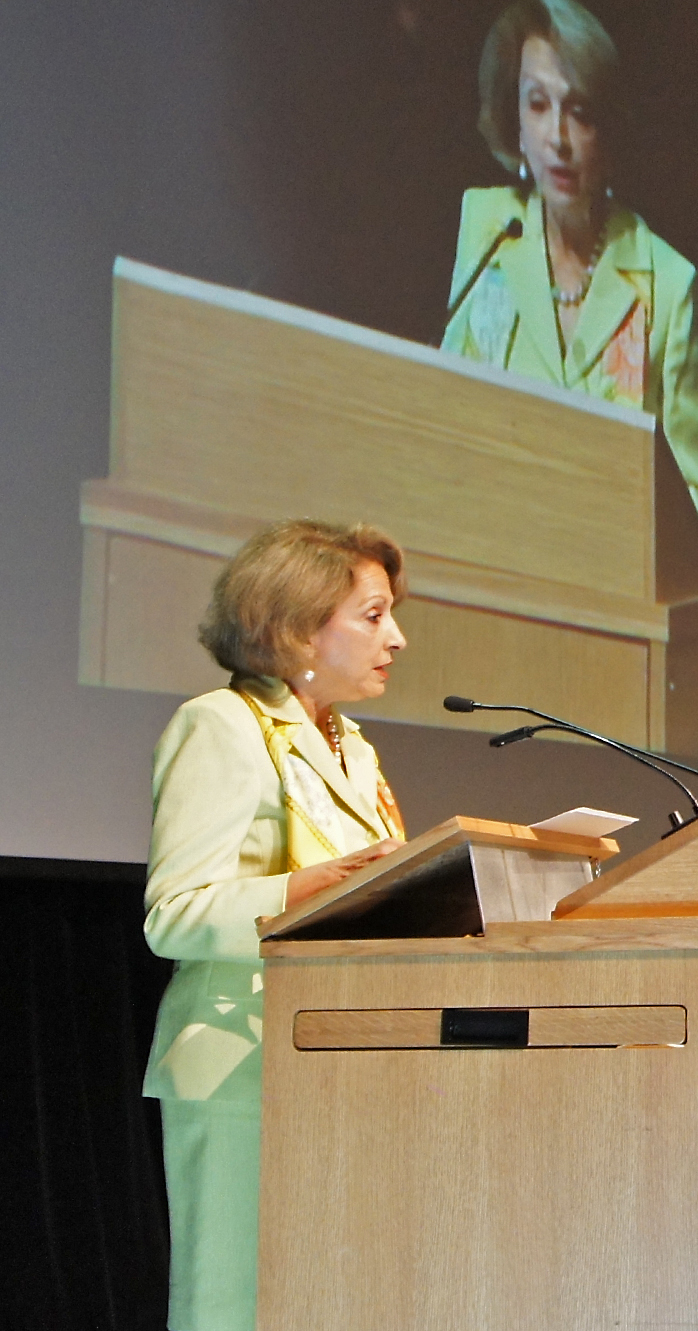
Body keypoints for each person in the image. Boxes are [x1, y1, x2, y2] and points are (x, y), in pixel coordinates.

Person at [142, 518, 408, 1331]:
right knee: (234, 1305)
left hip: (338, 1062)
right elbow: (174, 914)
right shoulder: (220, 725)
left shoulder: (353, 747)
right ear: (297, 627)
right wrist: (301, 889)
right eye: (372, 615)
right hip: (241, 1071)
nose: (395, 637)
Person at [442, 0, 698, 535]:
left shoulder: (665, 281)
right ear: (515, 122)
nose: (557, 138)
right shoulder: (486, 233)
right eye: (538, 104)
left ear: (609, 131)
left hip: (611, 583)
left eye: (580, 112)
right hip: (493, 558)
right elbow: (443, 424)